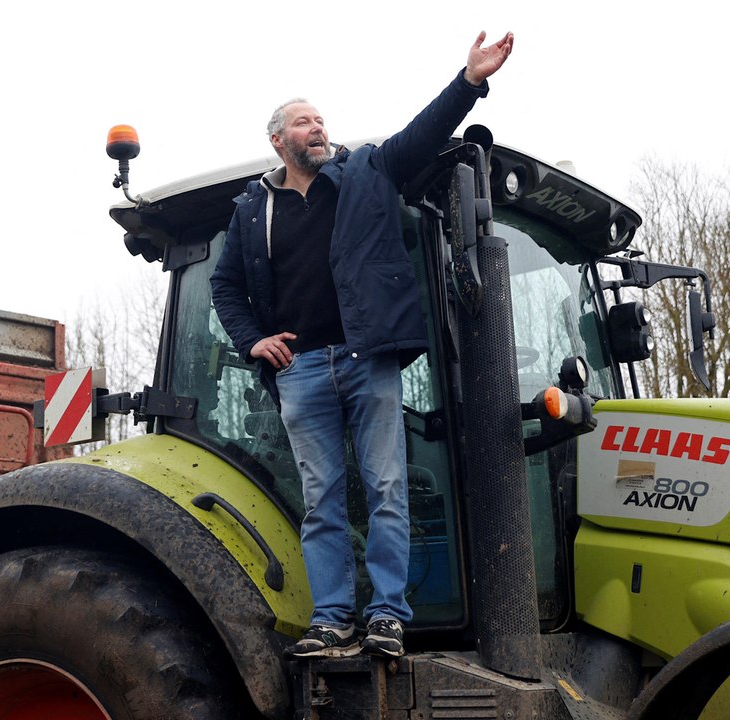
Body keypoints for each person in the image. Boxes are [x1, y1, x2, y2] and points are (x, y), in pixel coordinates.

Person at [210, 31, 514, 659]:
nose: (317, 128)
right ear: (279, 140)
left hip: (364, 357)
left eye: (321, 119)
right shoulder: (252, 212)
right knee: (321, 499)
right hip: (299, 372)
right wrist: (252, 339)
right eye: (303, 122)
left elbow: (421, 135)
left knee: (386, 489)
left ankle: (386, 617)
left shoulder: (369, 170)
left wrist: (469, 82)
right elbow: (225, 284)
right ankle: (332, 619)